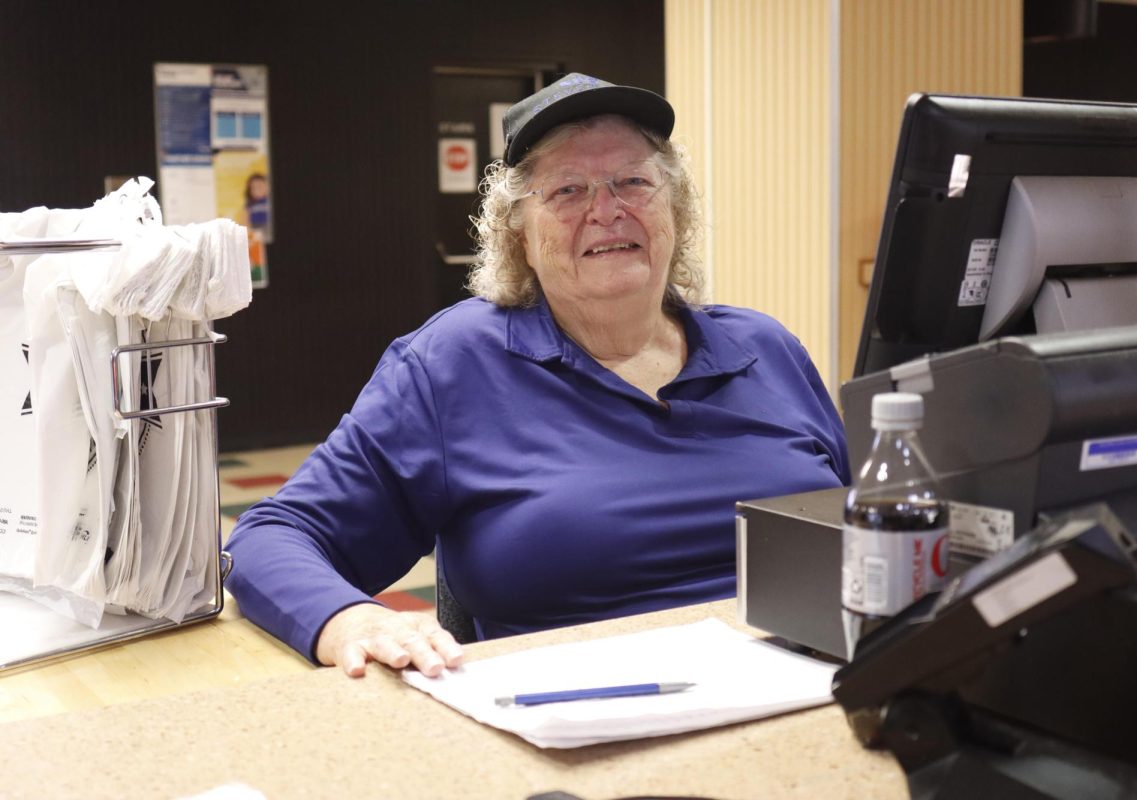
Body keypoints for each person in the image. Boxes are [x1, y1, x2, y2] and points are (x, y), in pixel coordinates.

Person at [224, 73, 850, 679]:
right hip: (584, 718)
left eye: (634, 181)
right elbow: (272, 537)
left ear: (675, 213)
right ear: (518, 235)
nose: (607, 211)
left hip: (809, 688)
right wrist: (349, 621)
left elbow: (870, 525)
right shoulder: (454, 364)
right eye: (567, 192)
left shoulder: (766, 347)